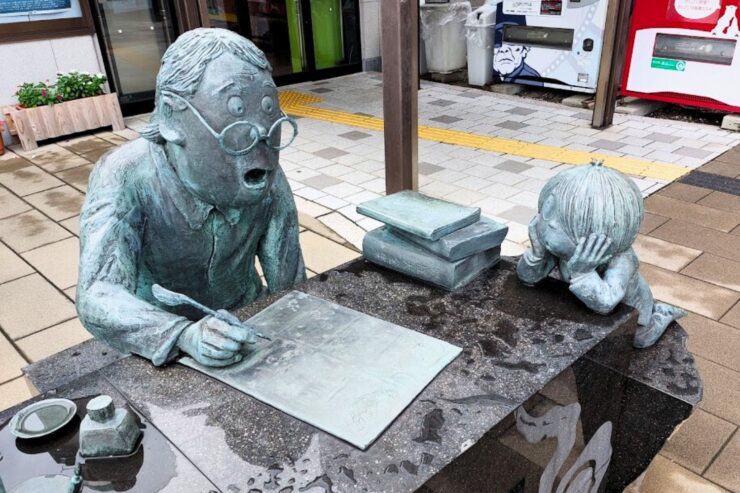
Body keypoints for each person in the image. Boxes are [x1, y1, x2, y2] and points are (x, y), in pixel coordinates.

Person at [77, 28, 306, 368]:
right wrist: (182, 334)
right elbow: (97, 294)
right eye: (235, 107)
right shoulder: (124, 174)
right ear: (172, 118)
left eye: (267, 106)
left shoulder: (268, 175)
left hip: (245, 316)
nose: (260, 131)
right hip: (160, 333)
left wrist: (297, 333)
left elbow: (290, 284)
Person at [516, 161, 686, 348]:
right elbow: (527, 278)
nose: (545, 224)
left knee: (639, 340)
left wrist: (584, 273)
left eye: (555, 222)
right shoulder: (555, 246)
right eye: (546, 212)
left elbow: (606, 304)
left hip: (631, 311)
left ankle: (661, 314)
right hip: (582, 303)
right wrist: (536, 255)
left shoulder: (622, 259)